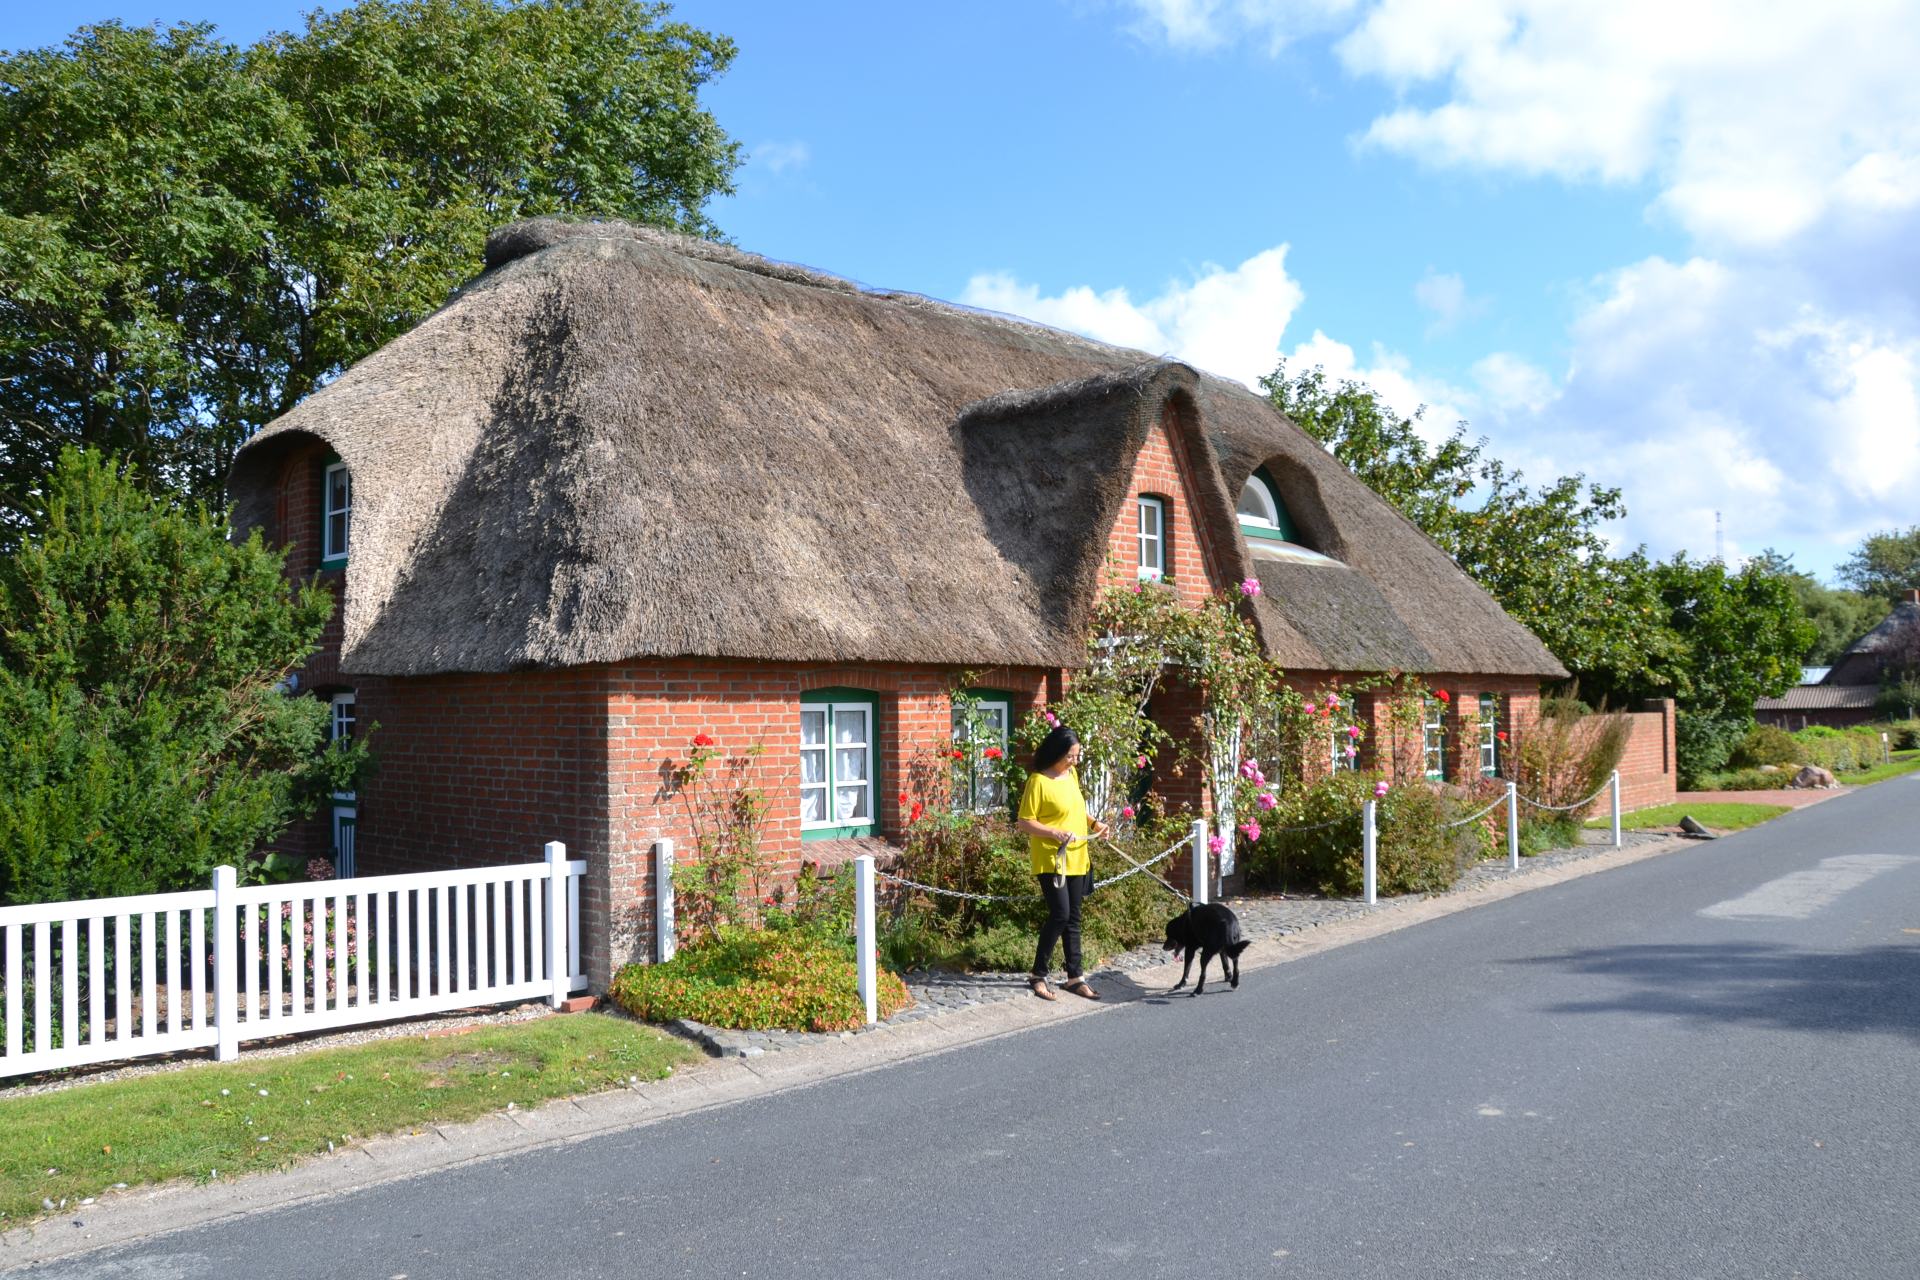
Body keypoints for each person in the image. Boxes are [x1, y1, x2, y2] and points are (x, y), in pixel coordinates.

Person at [1014, 725, 1109, 1001]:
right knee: (1060, 914)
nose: (1075, 761)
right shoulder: (1038, 781)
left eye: (1077, 755)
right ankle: (1038, 974)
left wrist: (1094, 823)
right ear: (1056, 752)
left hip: (1078, 854)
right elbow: (1024, 822)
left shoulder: (1071, 775)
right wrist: (1053, 832)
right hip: (1051, 858)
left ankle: (1075, 977)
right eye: (1070, 756)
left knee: (1074, 917)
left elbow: (1076, 809)